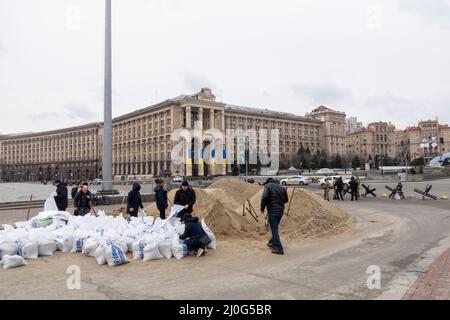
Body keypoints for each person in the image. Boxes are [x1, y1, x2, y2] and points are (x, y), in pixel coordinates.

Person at [261, 178, 289, 255]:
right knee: (275, 227)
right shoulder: (282, 187)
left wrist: (262, 209)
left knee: (274, 229)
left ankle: (279, 248)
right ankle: (271, 243)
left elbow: (264, 197)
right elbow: (286, 200)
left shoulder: (268, 186)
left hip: (273, 210)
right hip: (281, 210)